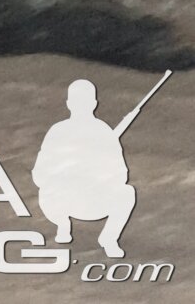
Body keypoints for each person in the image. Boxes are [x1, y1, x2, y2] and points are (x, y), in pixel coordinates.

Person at [33, 76, 143, 258]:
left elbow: (121, 175)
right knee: (48, 190)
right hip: (62, 200)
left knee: (127, 192)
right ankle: (62, 225)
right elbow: (39, 174)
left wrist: (96, 173)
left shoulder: (103, 132)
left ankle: (108, 238)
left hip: (93, 201)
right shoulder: (58, 132)